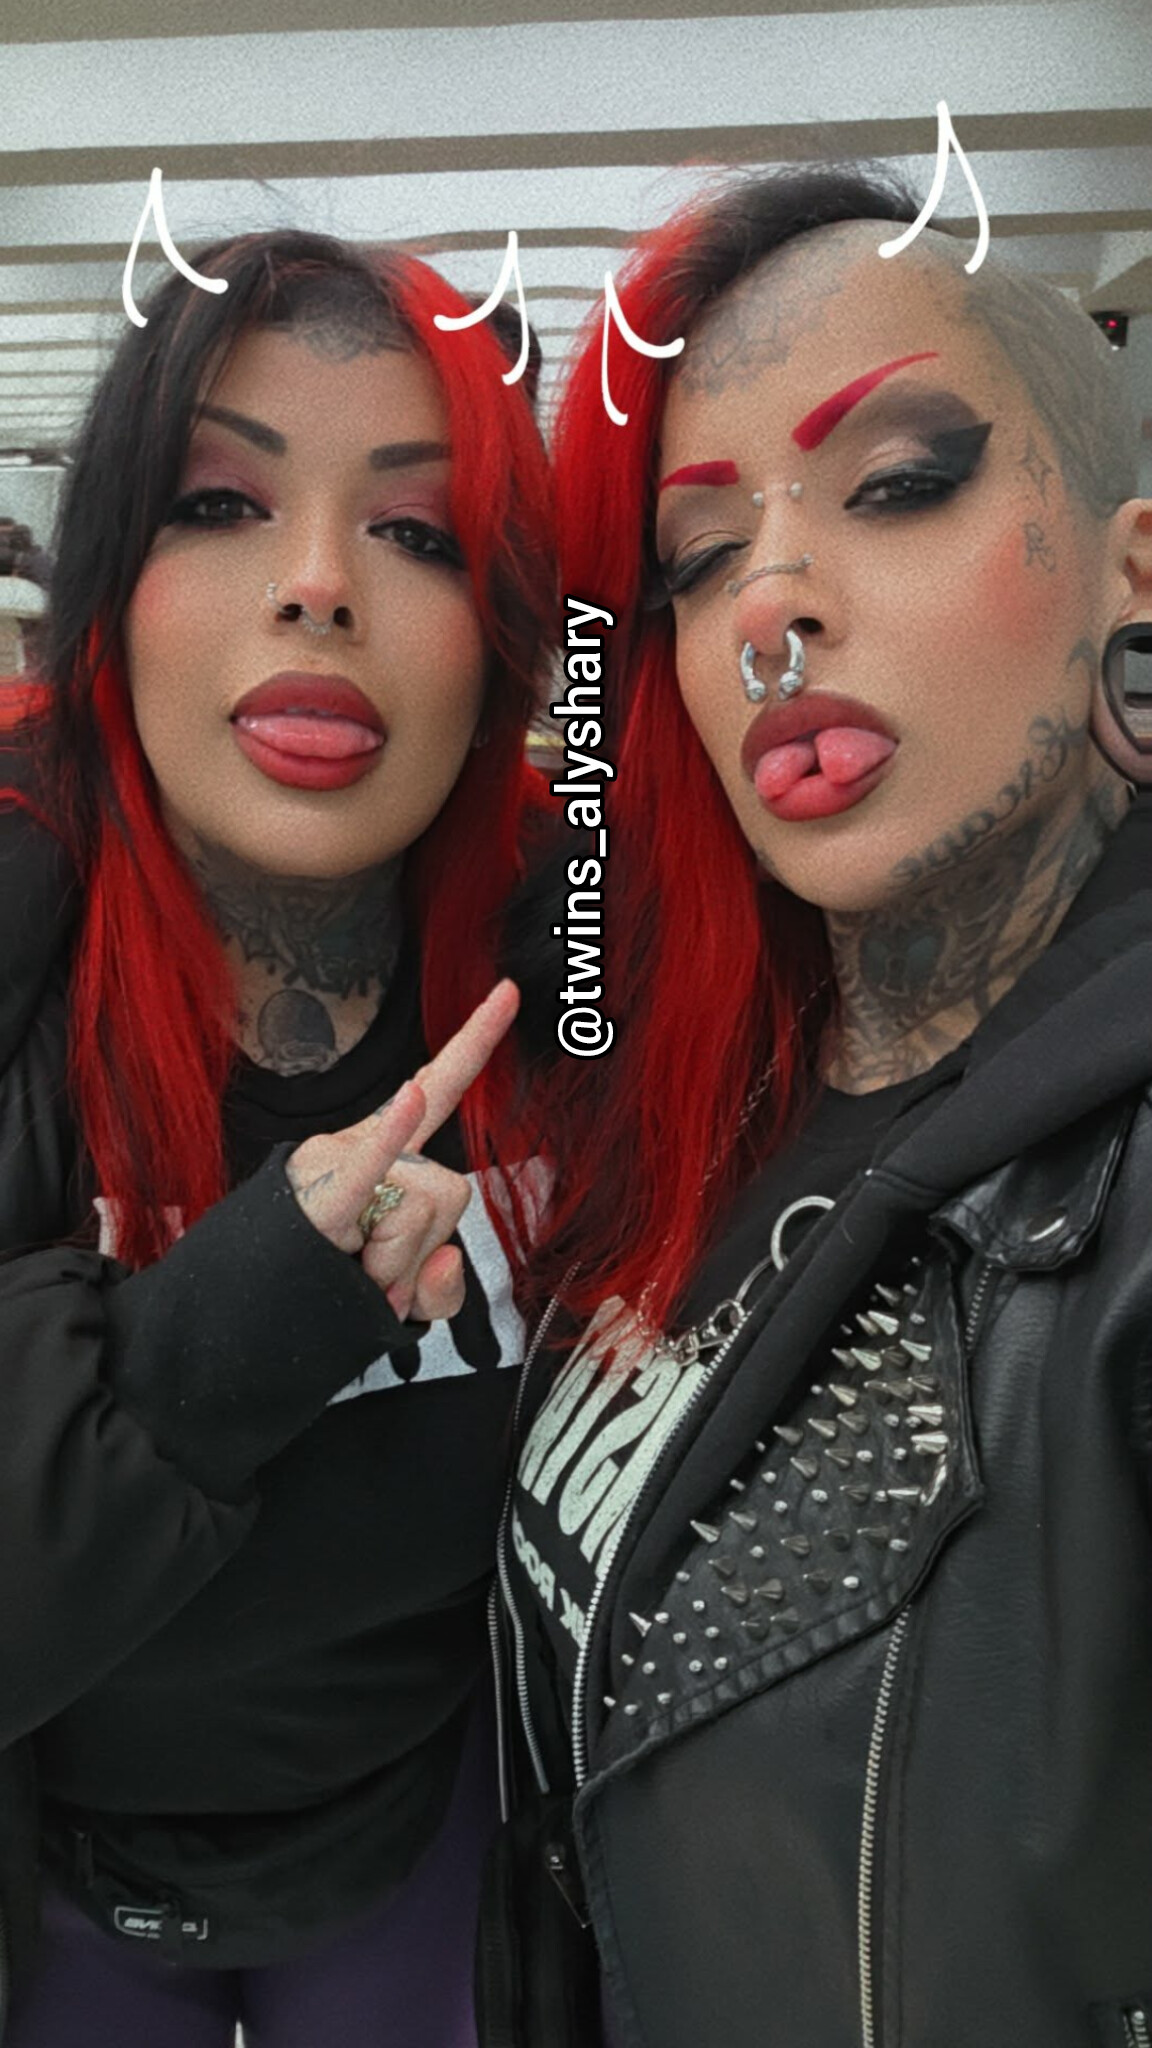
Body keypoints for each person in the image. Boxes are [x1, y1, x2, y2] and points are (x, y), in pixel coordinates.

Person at [485, 165, 1152, 2047]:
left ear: (1134, 576)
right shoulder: (696, 1080)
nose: (768, 608)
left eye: (898, 482)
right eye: (700, 560)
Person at [0, 226, 554, 2047]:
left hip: (426, 1834)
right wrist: (232, 1331)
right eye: (221, 505)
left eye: (420, 534)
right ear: (109, 583)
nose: (318, 586)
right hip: (46, 1873)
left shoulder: (585, 959)